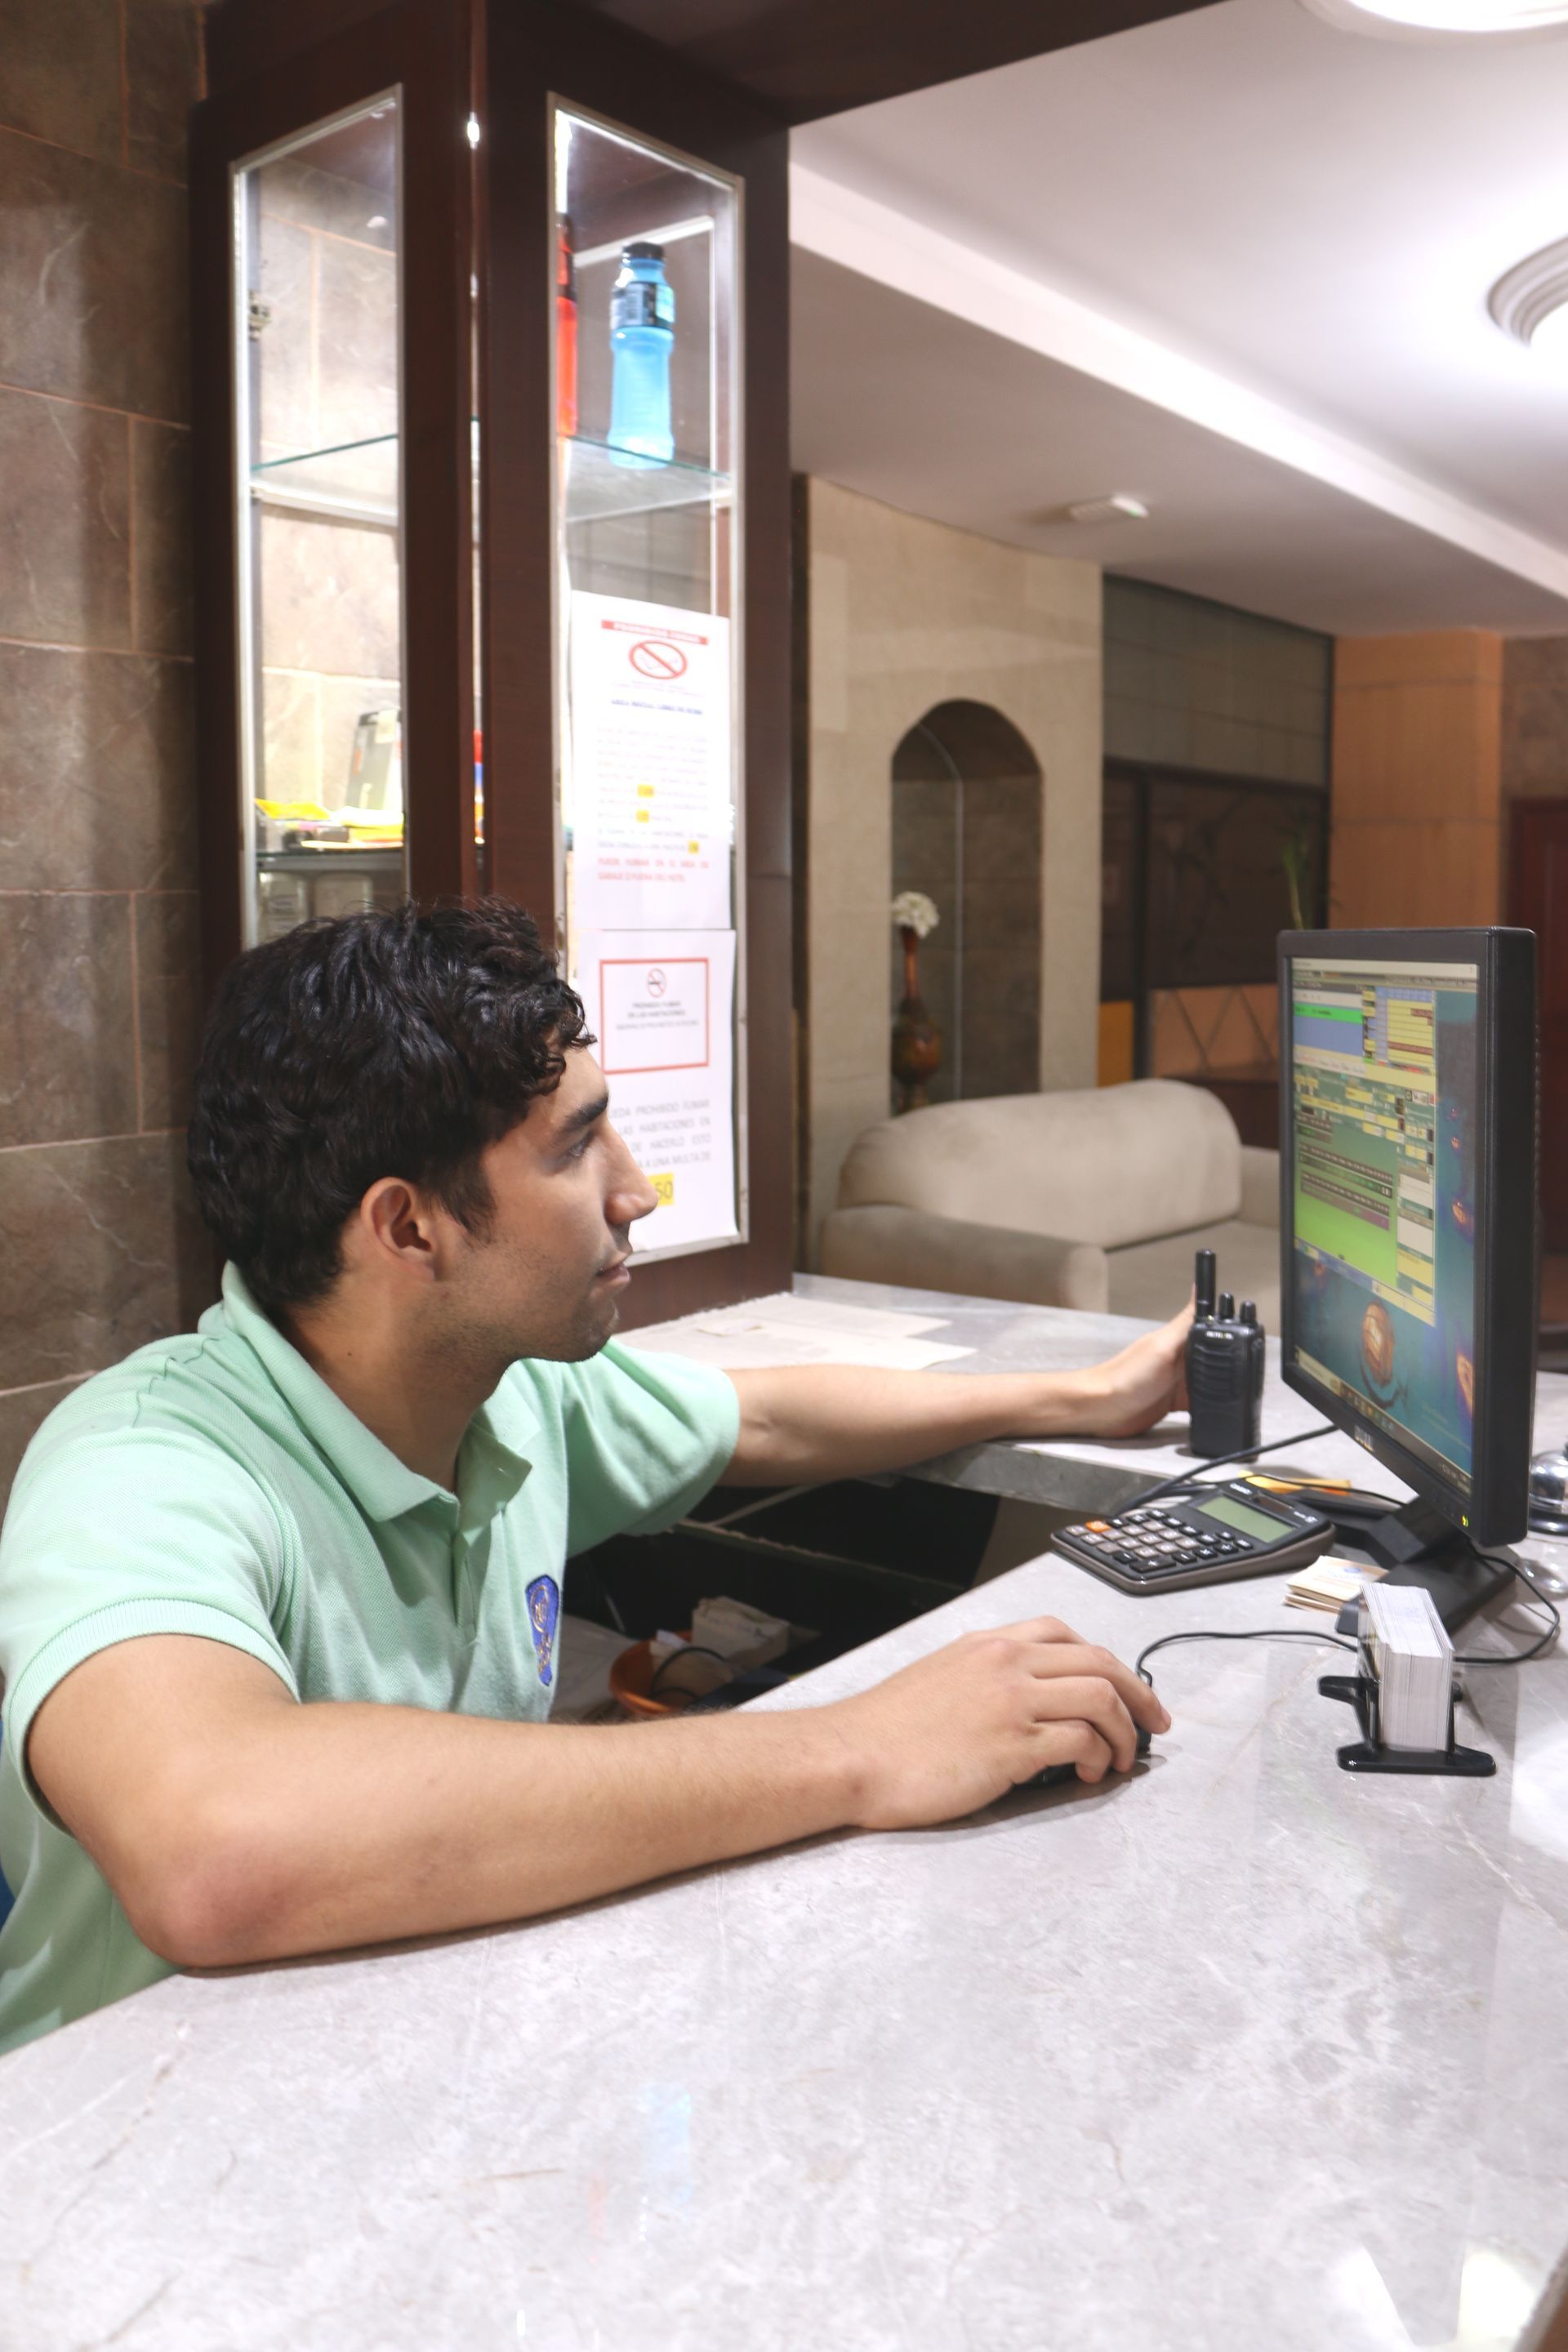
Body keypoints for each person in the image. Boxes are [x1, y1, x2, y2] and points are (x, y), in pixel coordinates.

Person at [0, 902, 1184, 2056]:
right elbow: (214, 1848)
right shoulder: (141, 1470)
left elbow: (764, 1411)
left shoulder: (504, 1392)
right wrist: (863, 1747)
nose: (638, 1190)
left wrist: (1084, 1397)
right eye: (578, 1147)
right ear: (410, 1232)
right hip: (122, 2168)